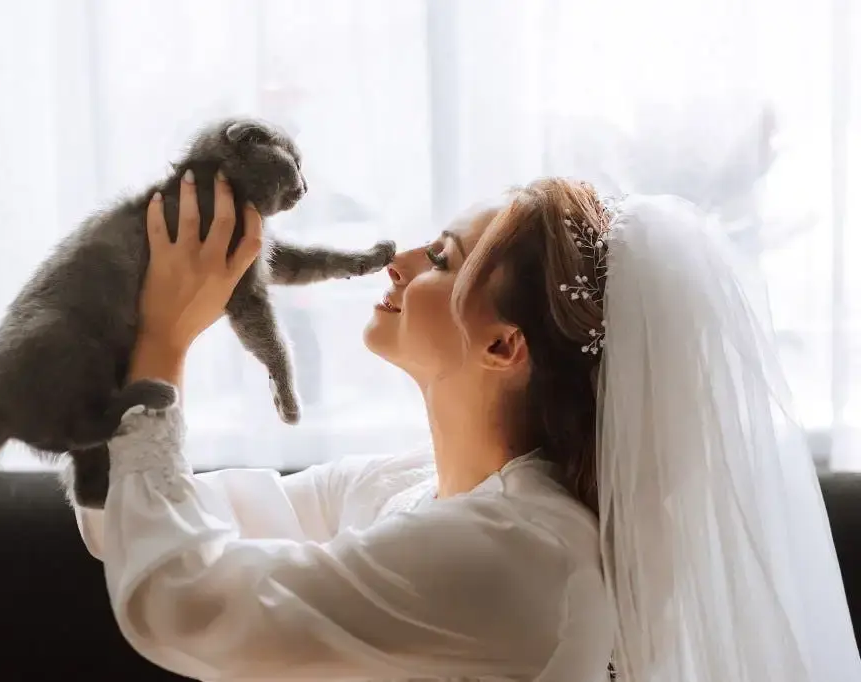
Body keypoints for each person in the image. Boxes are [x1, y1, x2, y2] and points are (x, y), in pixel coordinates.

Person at [74, 170, 861, 681]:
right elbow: (136, 524)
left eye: (444, 259)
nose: (399, 260)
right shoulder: (414, 485)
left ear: (504, 344)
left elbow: (190, 604)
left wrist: (159, 349)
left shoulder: (522, 552)